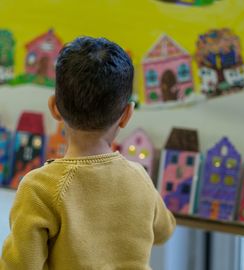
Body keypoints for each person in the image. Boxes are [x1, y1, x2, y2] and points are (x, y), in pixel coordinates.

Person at [0, 36, 176, 270]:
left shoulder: (40, 188)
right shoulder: (139, 177)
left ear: (54, 107)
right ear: (127, 115)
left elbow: (20, 266)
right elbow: (164, 231)